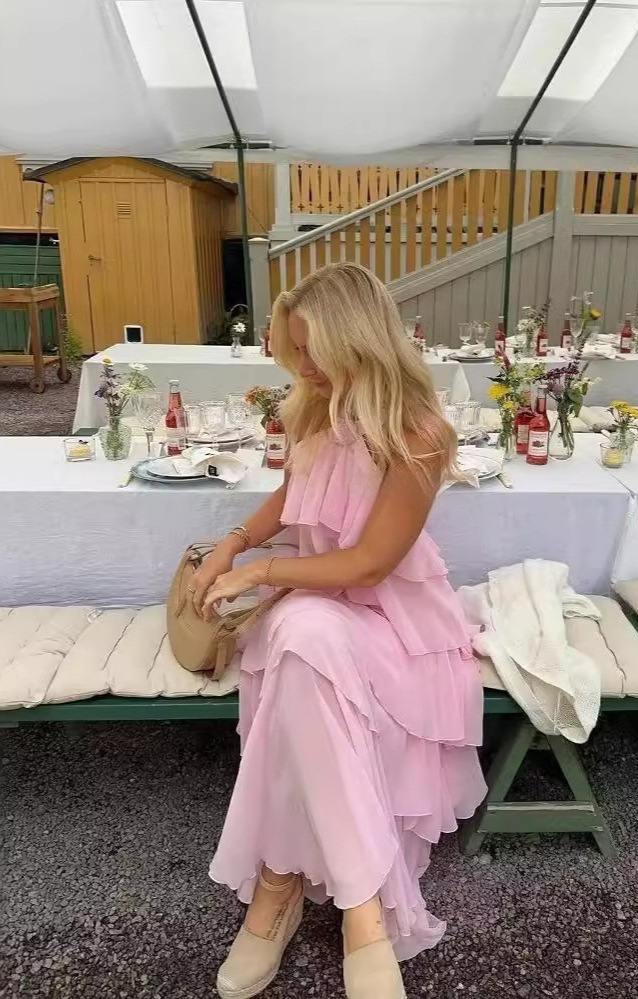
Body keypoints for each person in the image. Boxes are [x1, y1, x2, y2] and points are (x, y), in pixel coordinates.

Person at [191, 262, 486, 999]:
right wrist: (233, 543)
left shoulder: (418, 433)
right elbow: (292, 496)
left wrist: (259, 573)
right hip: (316, 606)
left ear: (359, 340)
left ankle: (275, 890)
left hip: (393, 623)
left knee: (300, 645)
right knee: (303, 639)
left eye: (315, 350)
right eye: (296, 349)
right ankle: (365, 915)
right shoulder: (318, 411)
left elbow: (370, 564)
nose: (305, 366)